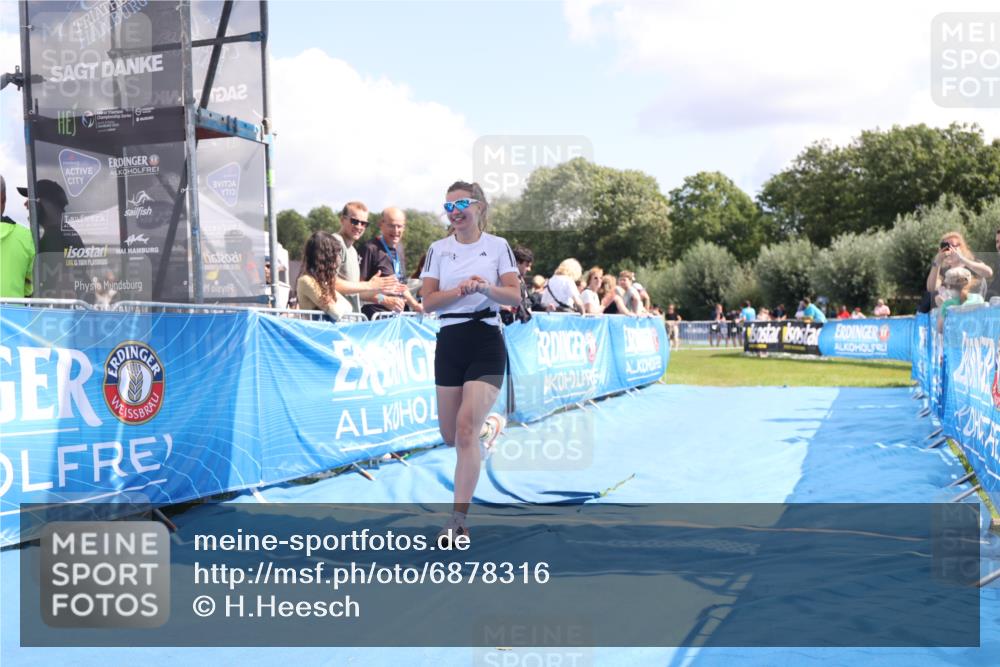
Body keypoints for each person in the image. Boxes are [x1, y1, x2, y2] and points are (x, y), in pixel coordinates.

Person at [419, 181, 522, 545]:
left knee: (464, 428)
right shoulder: (438, 250)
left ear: (479, 206)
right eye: (448, 206)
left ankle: (458, 521)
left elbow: (513, 294)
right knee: (451, 435)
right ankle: (490, 427)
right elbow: (427, 302)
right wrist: (458, 290)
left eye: (462, 203)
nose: (455, 211)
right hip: (449, 342)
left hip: (485, 341)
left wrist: (483, 289)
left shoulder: (497, 247)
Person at [331, 201, 405, 313]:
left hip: (350, 320)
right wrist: (369, 285)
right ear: (342, 220)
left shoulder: (353, 251)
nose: (359, 226)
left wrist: (384, 299)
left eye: (363, 223)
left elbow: (360, 292)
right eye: (354, 221)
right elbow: (329, 283)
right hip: (335, 320)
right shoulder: (335, 243)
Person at [358, 207, 423, 318]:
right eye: (391, 226)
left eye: (399, 226)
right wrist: (384, 299)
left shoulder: (399, 248)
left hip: (400, 315)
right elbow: (358, 290)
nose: (396, 231)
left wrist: (416, 306)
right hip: (377, 317)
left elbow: (401, 287)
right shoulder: (370, 249)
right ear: (381, 224)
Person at [295, 231, 354, 319]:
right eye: (335, 253)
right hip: (315, 332)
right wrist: (335, 305)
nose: (338, 258)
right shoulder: (307, 280)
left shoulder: (322, 282)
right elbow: (336, 313)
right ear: (326, 256)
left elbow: (349, 307)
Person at [926, 231, 992, 305]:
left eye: (952, 246)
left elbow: (988, 273)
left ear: (961, 248)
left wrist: (962, 259)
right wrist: (937, 262)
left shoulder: (973, 265)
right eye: (945, 247)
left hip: (974, 308)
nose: (949, 250)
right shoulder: (943, 272)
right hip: (954, 312)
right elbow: (931, 288)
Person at [1, 175, 35, 298]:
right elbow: (28, 289)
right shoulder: (26, 237)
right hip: (14, 316)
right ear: (3, 199)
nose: (26, 204)